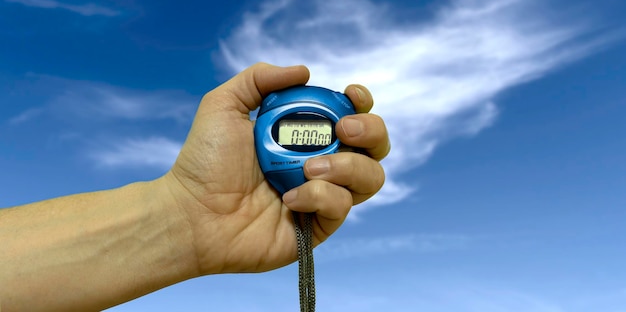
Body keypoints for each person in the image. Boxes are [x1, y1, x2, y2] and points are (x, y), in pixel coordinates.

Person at [0, 63, 390, 311]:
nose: (304, 140)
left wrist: (183, 220)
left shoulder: (277, 112)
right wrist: (185, 214)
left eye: (311, 134)